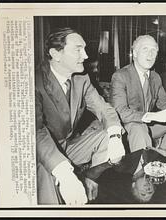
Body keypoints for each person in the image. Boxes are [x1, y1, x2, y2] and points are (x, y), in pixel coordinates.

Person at [35, 27, 125, 205]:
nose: (85, 56)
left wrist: (115, 136)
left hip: (68, 145)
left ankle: (91, 178)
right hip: (41, 150)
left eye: (84, 49)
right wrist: (64, 172)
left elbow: (104, 109)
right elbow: (36, 131)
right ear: (56, 53)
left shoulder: (81, 78)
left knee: (109, 137)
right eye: (78, 49)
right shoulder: (34, 80)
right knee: (47, 172)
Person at [110, 35, 166, 153]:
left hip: (149, 126)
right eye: (145, 49)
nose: (150, 54)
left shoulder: (155, 77)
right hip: (128, 127)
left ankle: (164, 152)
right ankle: (143, 167)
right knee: (139, 127)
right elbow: (120, 112)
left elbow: (164, 103)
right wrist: (150, 116)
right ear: (135, 53)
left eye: (153, 51)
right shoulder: (121, 76)